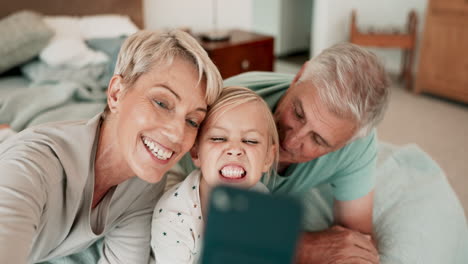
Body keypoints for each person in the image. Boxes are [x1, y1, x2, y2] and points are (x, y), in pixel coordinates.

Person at [0, 30, 222, 263]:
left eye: (192, 121)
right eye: (161, 103)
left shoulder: (144, 184)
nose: (177, 134)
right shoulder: (32, 168)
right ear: (116, 93)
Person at [178, 42, 390, 264]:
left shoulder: (357, 144)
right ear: (297, 78)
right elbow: (201, 227)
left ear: (344, 144)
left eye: (318, 140)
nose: (290, 140)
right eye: (298, 113)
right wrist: (301, 246)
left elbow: (356, 243)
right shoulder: (225, 111)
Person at [151, 86, 279, 264]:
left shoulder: (262, 199)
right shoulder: (174, 216)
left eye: (250, 141)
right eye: (218, 138)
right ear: (196, 152)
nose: (235, 150)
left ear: (267, 158)